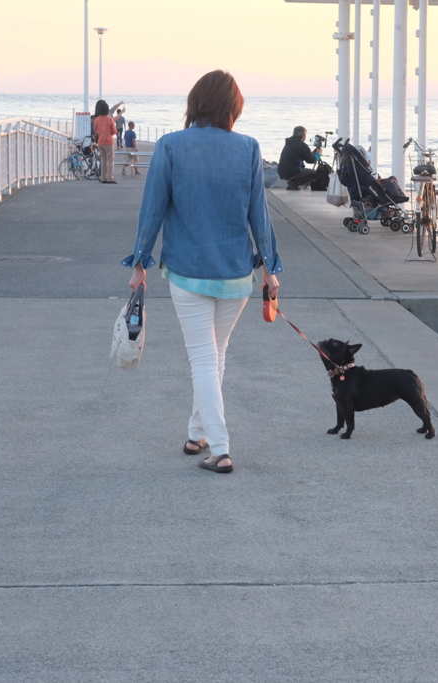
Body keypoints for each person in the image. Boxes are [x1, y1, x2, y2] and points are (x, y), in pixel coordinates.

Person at [122, 70, 282, 474]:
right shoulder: (248, 148)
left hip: (188, 271)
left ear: (196, 102)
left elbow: (153, 209)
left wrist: (139, 261)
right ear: (233, 108)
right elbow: (258, 216)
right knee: (215, 354)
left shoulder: (171, 146)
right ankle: (198, 433)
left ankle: (222, 447)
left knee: (203, 358)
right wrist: (271, 268)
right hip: (236, 274)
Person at [92, 99, 117, 184]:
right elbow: (114, 131)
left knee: (103, 160)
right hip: (109, 141)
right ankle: (110, 178)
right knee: (110, 160)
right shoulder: (110, 120)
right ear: (107, 110)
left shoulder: (97, 119)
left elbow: (95, 130)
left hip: (100, 141)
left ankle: (103, 178)